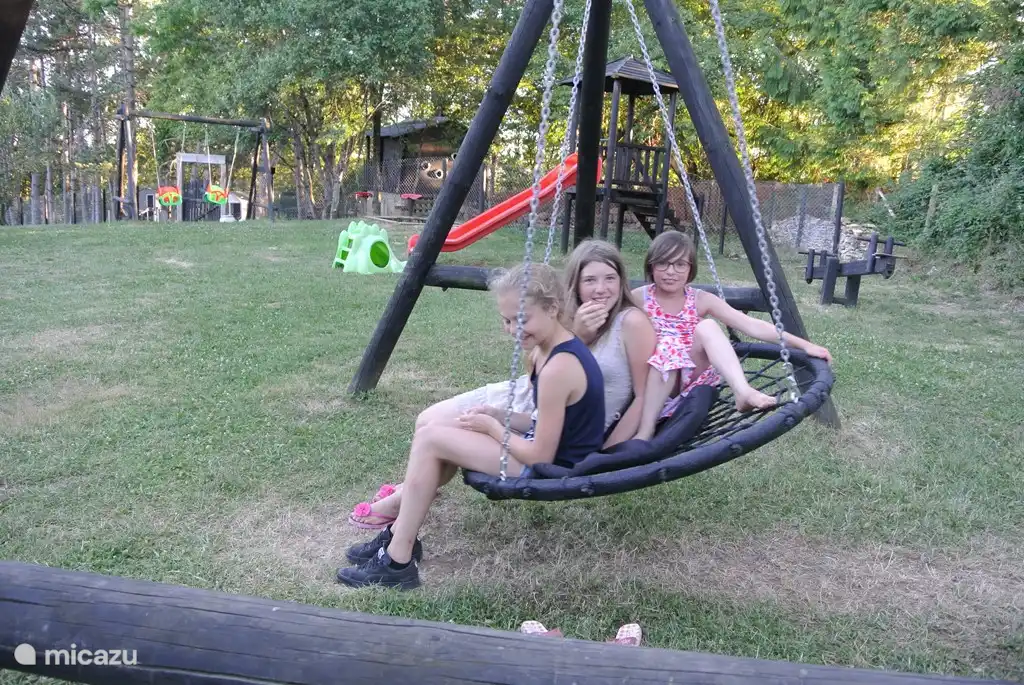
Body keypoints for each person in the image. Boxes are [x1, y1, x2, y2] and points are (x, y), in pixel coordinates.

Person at [348, 239, 657, 529]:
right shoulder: (561, 318)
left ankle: (405, 503)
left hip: (559, 427)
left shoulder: (628, 323)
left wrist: (617, 451)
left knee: (436, 432)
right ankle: (414, 490)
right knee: (429, 420)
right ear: (574, 284)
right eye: (590, 279)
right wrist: (579, 331)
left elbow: (634, 393)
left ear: (622, 280)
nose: (600, 289)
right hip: (532, 403)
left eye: (610, 278)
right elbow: (538, 364)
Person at [336, 262, 606, 590]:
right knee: (435, 434)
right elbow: (544, 422)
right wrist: (497, 414)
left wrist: (492, 429)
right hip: (544, 449)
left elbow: (541, 455)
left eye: (521, 320)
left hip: (555, 466)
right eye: (506, 321)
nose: (513, 329)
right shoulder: (544, 351)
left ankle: (397, 561)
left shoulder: (560, 367)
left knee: (432, 440)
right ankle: (398, 537)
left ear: (552, 308)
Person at [632, 230, 833, 441]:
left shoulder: (699, 299)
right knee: (665, 344)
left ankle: (742, 391)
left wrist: (803, 345)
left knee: (708, 326)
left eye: (680, 264)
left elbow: (750, 325)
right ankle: (646, 429)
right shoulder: (639, 298)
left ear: (690, 269)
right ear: (651, 266)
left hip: (691, 381)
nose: (671, 271)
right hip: (654, 380)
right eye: (663, 263)